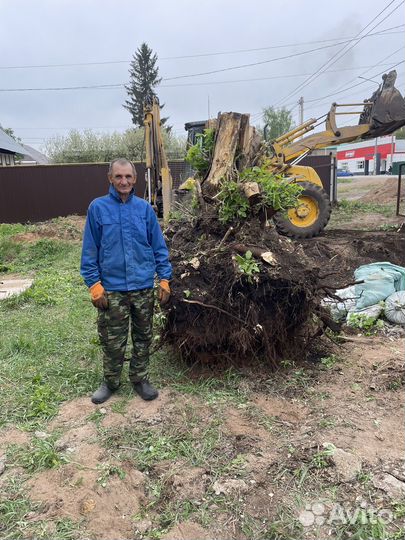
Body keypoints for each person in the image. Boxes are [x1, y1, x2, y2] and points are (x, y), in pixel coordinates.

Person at [80, 157, 172, 404]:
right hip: (113, 290)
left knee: (143, 337)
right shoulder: (97, 208)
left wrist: (164, 278)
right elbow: (90, 250)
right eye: (118, 177)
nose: (124, 181)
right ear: (110, 178)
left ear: (135, 179)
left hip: (142, 287)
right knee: (113, 340)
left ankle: (140, 379)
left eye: (128, 177)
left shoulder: (144, 210)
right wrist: (94, 284)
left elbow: (158, 247)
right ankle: (110, 382)